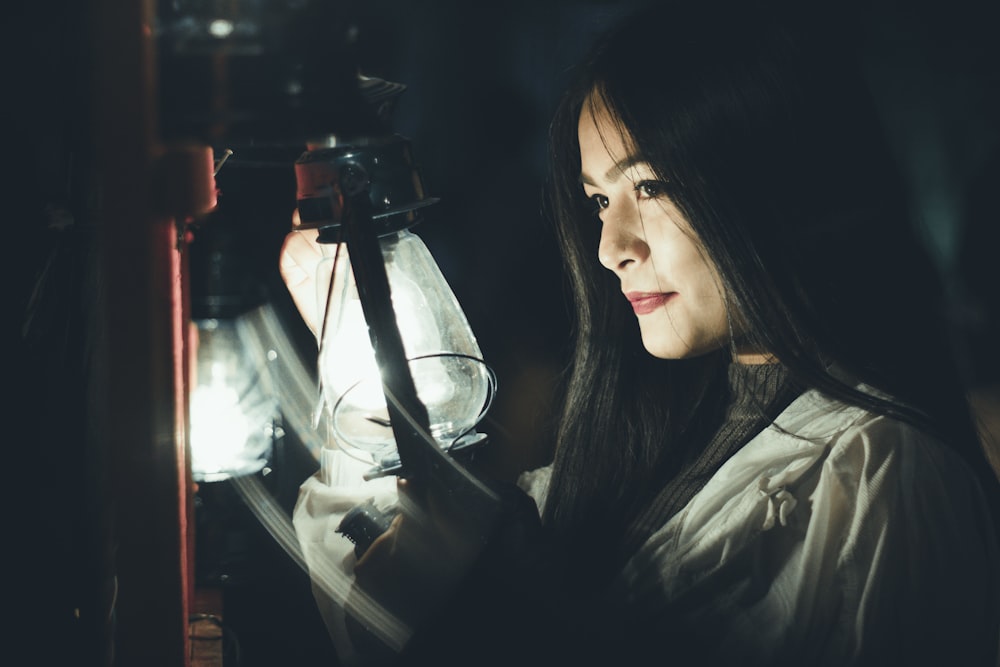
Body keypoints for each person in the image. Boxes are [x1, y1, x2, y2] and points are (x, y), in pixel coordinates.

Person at [284, 2, 1000, 665]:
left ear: (769, 176)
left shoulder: (882, 470)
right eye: (599, 200)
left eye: (650, 187)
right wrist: (347, 340)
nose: (610, 245)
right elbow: (380, 593)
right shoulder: (644, 434)